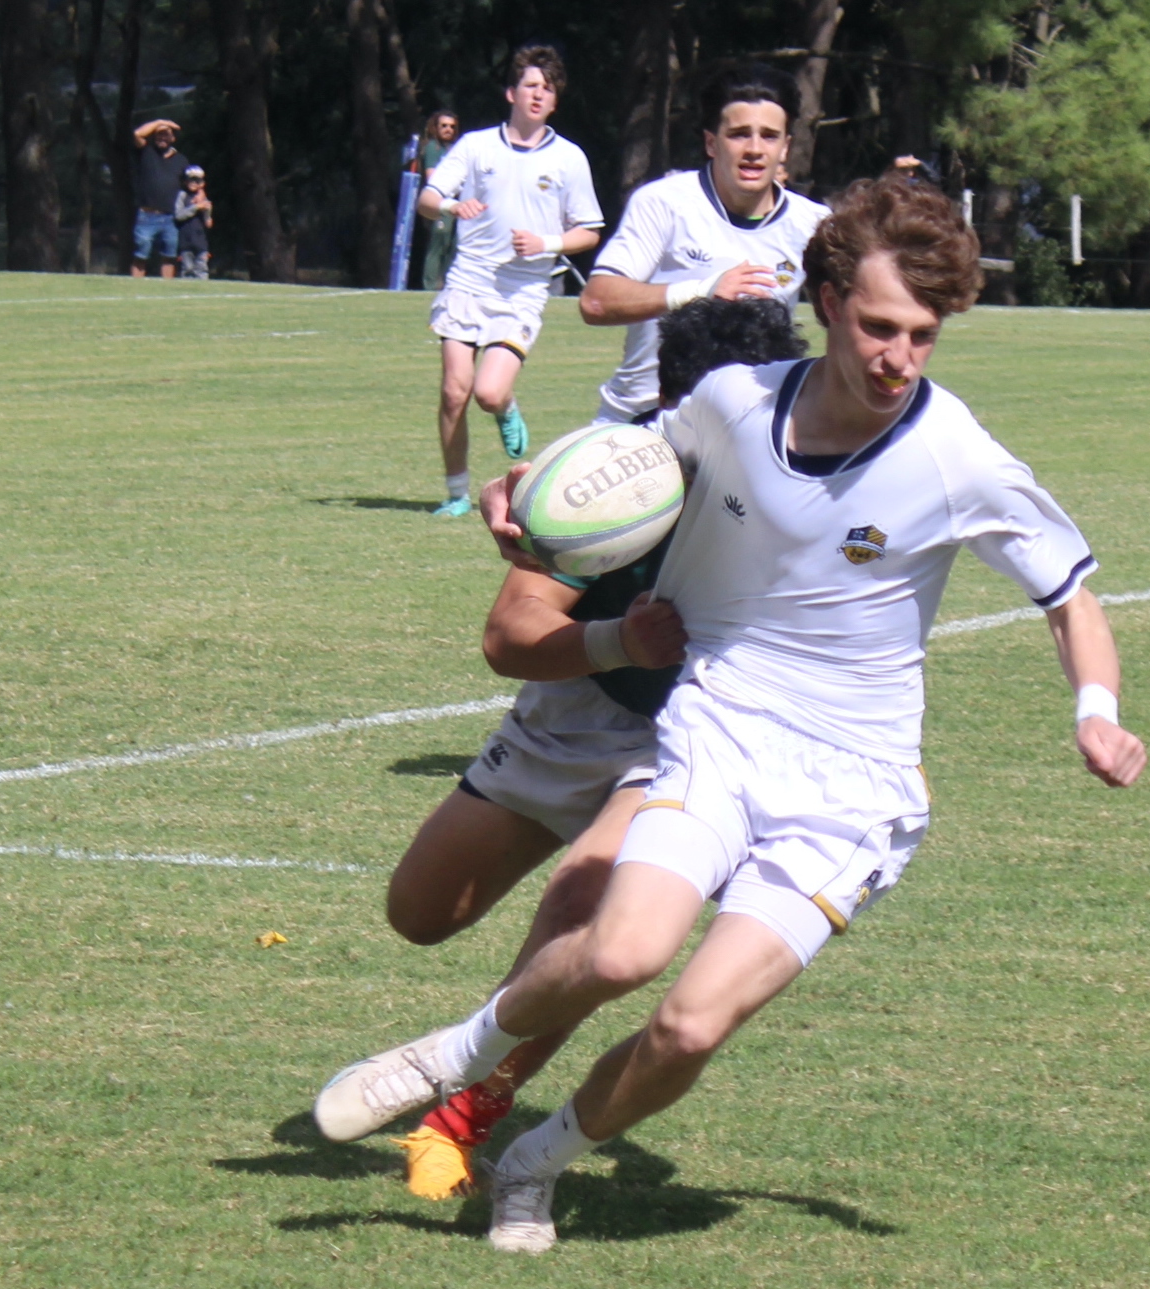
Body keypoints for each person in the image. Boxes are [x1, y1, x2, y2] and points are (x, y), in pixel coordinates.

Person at [312, 175, 1147, 1255]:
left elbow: (1070, 598)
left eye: (924, 336)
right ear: (832, 300)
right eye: (881, 326)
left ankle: (533, 1162)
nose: (900, 357)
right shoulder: (734, 401)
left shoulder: (959, 457)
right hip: (720, 727)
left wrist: (1096, 708)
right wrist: (512, 486)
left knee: (689, 1022)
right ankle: (451, 1058)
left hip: (855, 789)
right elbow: (606, 476)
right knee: (620, 951)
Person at [356, 299, 811, 1202]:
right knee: (420, 910)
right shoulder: (615, 467)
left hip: (697, 731)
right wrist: (618, 642)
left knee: (585, 910)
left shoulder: (814, 474)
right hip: (579, 705)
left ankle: (463, 1111)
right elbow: (510, 634)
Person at [579, 62, 830, 427]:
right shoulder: (665, 203)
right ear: (711, 142)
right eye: (740, 134)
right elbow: (597, 301)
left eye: (769, 136)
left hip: (750, 430)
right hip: (643, 420)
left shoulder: (812, 224)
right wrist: (702, 291)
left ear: (786, 147)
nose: (755, 149)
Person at [417, 46, 604, 515]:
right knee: (453, 391)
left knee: (488, 392)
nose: (539, 94)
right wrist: (450, 206)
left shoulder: (568, 158)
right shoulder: (477, 146)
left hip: (521, 292)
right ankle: (457, 493)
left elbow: (589, 230)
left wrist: (546, 243)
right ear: (511, 93)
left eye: (548, 88)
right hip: (467, 281)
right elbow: (428, 196)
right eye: (531, 85)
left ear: (555, 102)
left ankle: (505, 407)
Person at [128, 120, 190, 279]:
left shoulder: (181, 160)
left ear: (173, 139)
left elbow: (190, 186)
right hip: (146, 215)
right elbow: (137, 134)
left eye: (166, 134)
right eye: (158, 134)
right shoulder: (146, 152)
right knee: (140, 256)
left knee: (169, 257)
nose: (162, 137)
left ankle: (165, 290)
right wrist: (160, 122)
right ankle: (136, 289)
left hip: (170, 217)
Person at [416, 111, 463, 292]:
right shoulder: (432, 148)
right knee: (438, 243)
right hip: (440, 204)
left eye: (452, 127)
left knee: (453, 245)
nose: (448, 130)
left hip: (457, 204)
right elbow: (432, 177)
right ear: (435, 127)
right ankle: (430, 286)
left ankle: (447, 285)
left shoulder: (455, 149)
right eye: (444, 126)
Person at [172, 166, 213, 280]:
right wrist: (195, 207)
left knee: (202, 269)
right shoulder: (182, 195)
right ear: (185, 181)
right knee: (187, 269)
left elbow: (208, 222)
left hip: (200, 240)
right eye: (191, 179)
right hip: (186, 239)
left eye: (197, 180)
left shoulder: (203, 199)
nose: (194, 183)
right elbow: (179, 215)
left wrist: (206, 209)